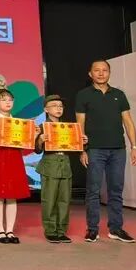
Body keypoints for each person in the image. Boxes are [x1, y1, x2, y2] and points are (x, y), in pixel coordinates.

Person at [75, 59, 136, 243]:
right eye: (97, 70)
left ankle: (116, 229)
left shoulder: (119, 94)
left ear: (109, 73)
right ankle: (92, 229)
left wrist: (134, 147)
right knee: (93, 191)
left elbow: (128, 122)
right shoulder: (83, 95)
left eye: (105, 70)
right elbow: (80, 124)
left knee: (116, 190)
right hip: (94, 149)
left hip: (118, 150)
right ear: (90, 74)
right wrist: (82, 150)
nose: (101, 73)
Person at [0, 88, 31, 244]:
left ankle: (10, 230)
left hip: (14, 159)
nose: (8, 102)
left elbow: (24, 145)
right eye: (3, 99)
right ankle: (0, 231)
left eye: (10, 100)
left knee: (12, 195)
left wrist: (30, 134)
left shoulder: (18, 123)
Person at [35, 94, 87, 243]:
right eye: (54, 106)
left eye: (60, 106)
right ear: (46, 109)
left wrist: (83, 142)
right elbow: (36, 150)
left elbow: (75, 147)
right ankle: (50, 230)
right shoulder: (42, 126)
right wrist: (40, 140)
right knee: (49, 199)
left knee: (64, 200)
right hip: (50, 164)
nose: (58, 109)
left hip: (65, 164)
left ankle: (61, 230)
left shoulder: (69, 127)